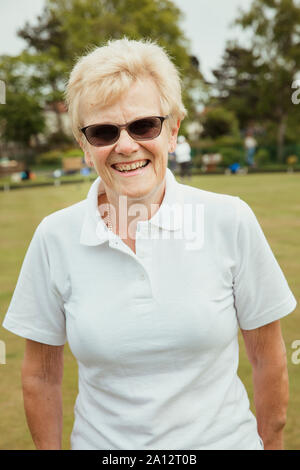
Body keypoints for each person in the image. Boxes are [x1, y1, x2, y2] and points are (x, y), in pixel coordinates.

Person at [2, 38, 297, 451]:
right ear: (85, 147)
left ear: (173, 130)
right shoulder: (55, 237)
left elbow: (269, 359)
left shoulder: (230, 219)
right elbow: (39, 376)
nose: (126, 146)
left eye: (144, 126)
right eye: (103, 132)